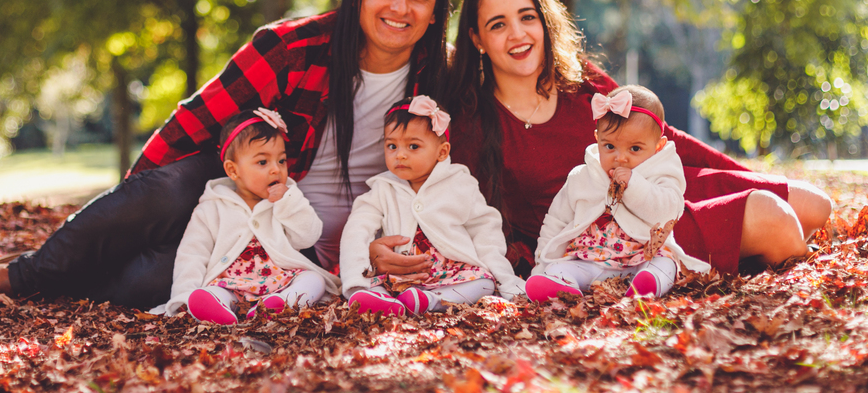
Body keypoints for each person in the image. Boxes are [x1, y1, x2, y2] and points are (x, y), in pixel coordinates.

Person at [0, 0, 450, 309]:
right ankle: (16, 276)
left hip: (304, 249)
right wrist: (130, 212)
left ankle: (62, 275)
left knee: (148, 284)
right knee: (164, 191)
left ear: (434, 10)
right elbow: (192, 126)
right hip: (235, 194)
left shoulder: (445, 81)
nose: (400, 7)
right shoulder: (294, 47)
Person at [443, 0, 832, 278]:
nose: (518, 34)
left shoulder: (578, 79)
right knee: (777, 222)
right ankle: (710, 260)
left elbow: (663, 133)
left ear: (543, 21)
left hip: (667, 188)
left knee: (816, 206)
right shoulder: (473, 123)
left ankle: (728, 255)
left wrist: (742, 174)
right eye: (498, 24)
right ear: (476, 39)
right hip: (621, 235)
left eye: (527, 17)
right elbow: (466, 213)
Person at [338, 96, 523, 316]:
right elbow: (357, 229)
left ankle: (431, 300)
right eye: (392, 145)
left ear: (442, 152)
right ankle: (382, 300)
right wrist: (356, 279)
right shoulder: (382, 188)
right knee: (376, 283)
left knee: (483, 283)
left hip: (451, 271)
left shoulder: (460, 184)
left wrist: (503, 276)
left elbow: (485, 230)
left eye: (413, 146)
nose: (400, 154)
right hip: (402, 270)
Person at [526, 86, 708, 303]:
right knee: (559, 267)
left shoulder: (661, 171)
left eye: (635, 149)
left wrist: (635, 185)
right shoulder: (582, 176)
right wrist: (541, 264)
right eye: (610, 146)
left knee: (666, 263)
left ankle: (647, 285)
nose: (621, 158)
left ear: (658, 147)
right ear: (597, 139)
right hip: (592, 260)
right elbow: (556, 221)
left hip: (642, 258)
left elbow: (669, 210)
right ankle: (562, 285)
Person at [157, 109, 338, 324]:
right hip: (231, 283)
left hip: (280, 280)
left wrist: (288, 201)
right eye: (263, 162)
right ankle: (217, 308)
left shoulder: (286, 200)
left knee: (314, 279)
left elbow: (308, 237)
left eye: (281, 161)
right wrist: (184, 297)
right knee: (214, 293)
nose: (276, 170)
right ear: (233, 171)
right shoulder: (211, 208)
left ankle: (282, 303)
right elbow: (192, 254)